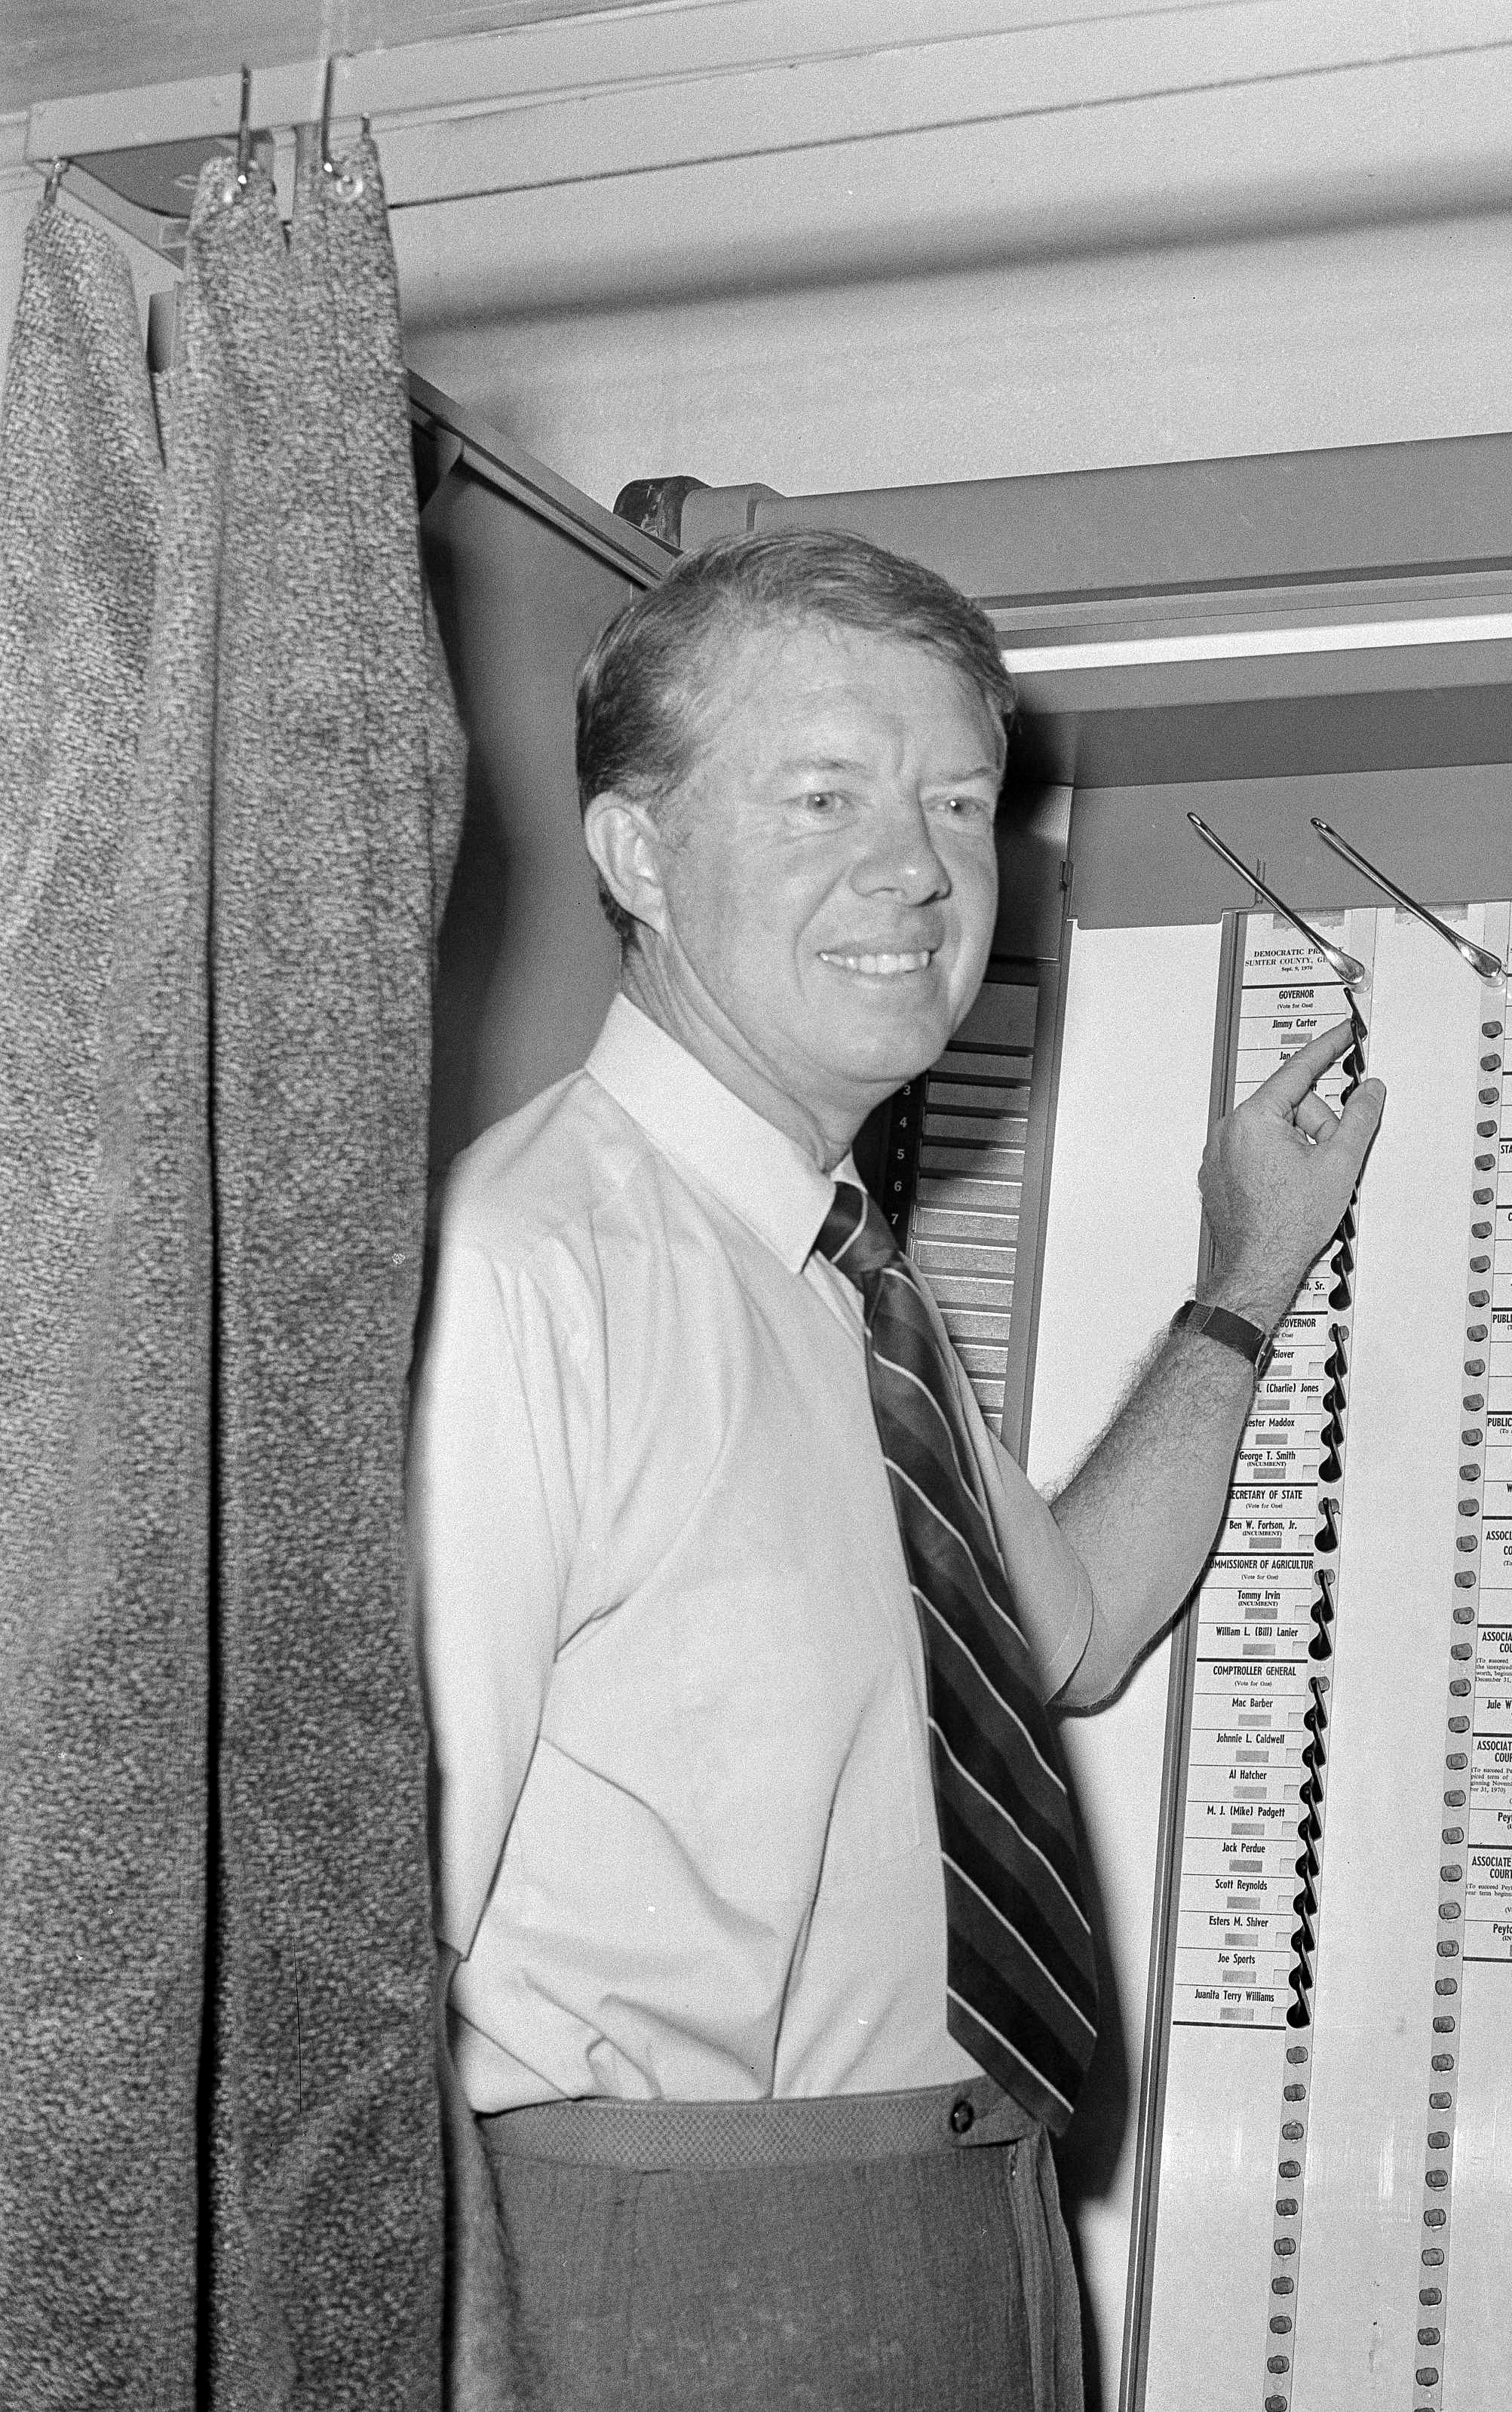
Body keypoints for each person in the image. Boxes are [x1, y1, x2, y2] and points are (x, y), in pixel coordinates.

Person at [409, 527, 1383, 2410]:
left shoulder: (846, 1278)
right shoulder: (527, 1274)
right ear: (635, 854)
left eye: (958, 799)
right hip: (649, 2263)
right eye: (823, 796)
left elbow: (1074, 1634)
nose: (915, 870)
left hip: (965, 2213)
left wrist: (1242, 1280)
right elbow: (373, 1956)